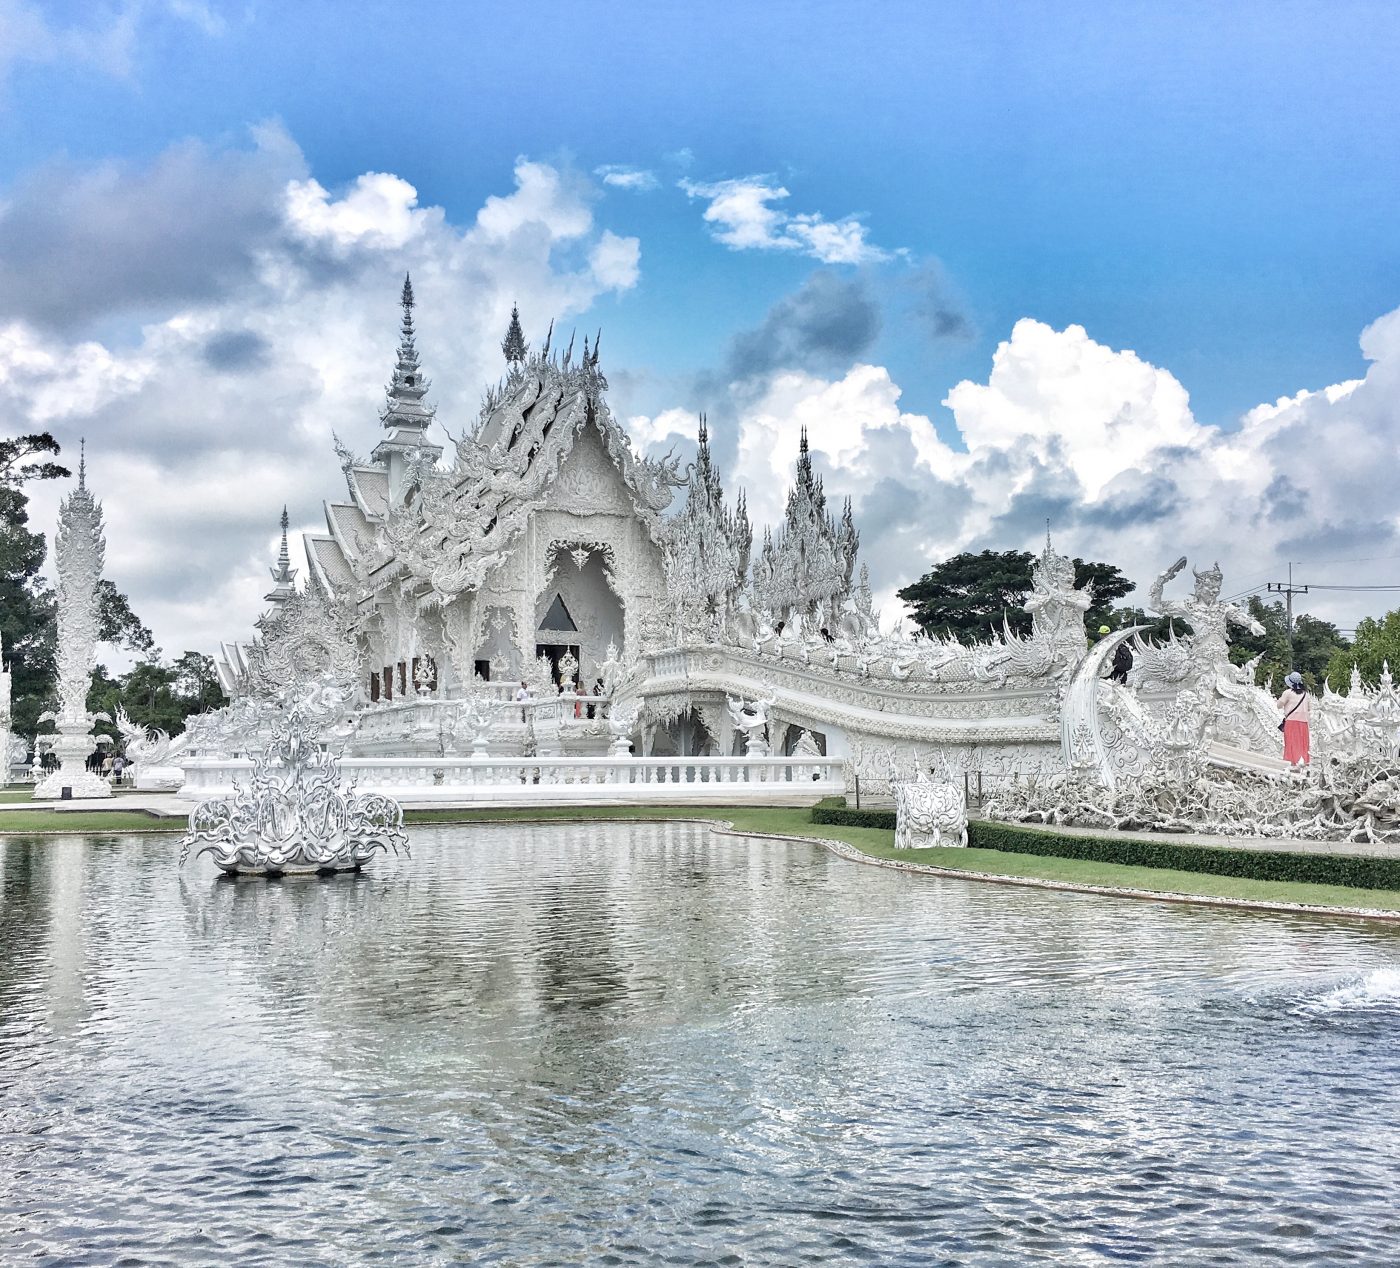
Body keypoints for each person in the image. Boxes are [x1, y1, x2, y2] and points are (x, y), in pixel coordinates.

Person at [1276, 671, 1311, 765]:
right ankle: (1303, 763)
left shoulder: (1288, 693)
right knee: (1303, 744)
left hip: (1291, 722)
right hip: (1304, 722)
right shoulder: (1306, 694)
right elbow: (1309, 708)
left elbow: (1279, 705)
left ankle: (1290, 762)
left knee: (1291, 743)